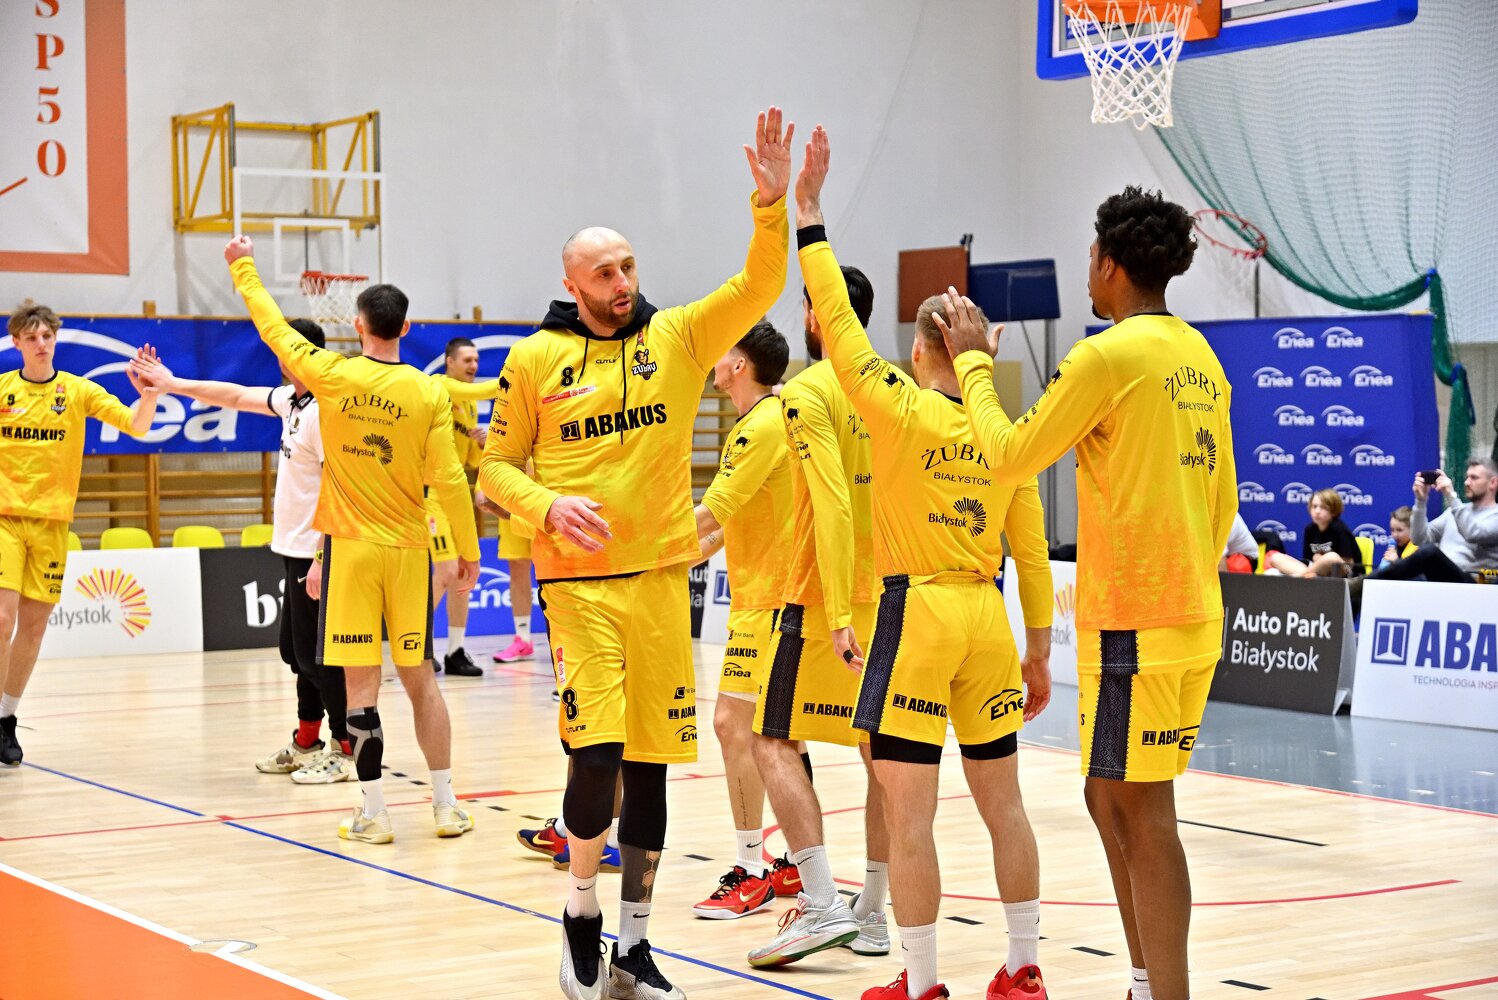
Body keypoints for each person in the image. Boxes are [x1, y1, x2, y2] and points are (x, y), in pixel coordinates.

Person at [478, 106, 792, 1000]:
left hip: (660, 584)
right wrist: (546, 503)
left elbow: (760, 282)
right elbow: (493, 466)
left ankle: (636, 945)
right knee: (598, 757)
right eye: (605, 272)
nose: (622, 282)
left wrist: (771, 205)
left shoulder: (679, 337)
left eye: (629, 267)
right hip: (578, 590)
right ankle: (580, 914)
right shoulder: (534, 360)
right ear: (572, 282)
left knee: (651, 770)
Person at [939, 186, 1237, 1000]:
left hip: (1139, 619)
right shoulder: (1200, 358)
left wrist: (973, 362)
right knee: (1108, 799)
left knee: (1143, 810)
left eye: (1090, 257)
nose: (1088, 270)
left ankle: (1165, 994)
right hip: (1188, 613)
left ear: (1109, 264)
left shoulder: (1106, 357)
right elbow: (1224, 503)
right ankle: (1144, 983)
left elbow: (1008, 456)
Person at [792, 127, 1055, 1000]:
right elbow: (1032, 552)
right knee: (1005, 806)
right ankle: (1022, 968)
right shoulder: (1007, 432)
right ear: (981, 354)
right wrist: (1039, 651)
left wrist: (810, 216)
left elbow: (836, 325)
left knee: (910, 814)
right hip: (989, 619)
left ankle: (922, 984)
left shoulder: (898, 408)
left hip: (916, 617)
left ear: (917, 352)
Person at [223, 236, 481, 845]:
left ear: (358, 325)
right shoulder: (429, 391)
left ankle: (375, 813)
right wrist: (467, 551)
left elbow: (272, 328)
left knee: (361, 690)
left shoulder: (332, 375)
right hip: (409, 551)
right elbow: (449, 479)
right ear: (406, 328)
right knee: (421, 679)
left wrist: (243, 267)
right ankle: (445, 805)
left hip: (351, 552)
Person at [745, 223, 889, 967]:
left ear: (815, 312)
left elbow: (832, 502)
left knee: (769, 741)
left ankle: (823, 901)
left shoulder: (807, 390)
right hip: (893, 595)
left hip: (822, 599)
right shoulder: (895, 387)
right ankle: (874, 913)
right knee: (880, 756)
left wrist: (832, 611)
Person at [128, 330, 353, 783]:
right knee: (297, 654)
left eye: (283, 350)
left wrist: (322, 556)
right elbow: (232, 395)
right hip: (292, 549)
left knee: (320, 658)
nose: (278, 358)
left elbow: (341, 488)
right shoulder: (292, 401)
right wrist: (171, 383)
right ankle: (306, 740)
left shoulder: (324, 412)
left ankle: (345, 750)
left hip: (316, 553)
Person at [0, 301, 162, 766]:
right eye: (32, 337)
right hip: (5, 519)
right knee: (3, 619)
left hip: (53, 523)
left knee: (33, 626)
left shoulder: (77, 391)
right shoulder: (4, 390)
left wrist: (149, 395)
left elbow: (137, 425)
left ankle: (7, 718)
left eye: (47, 336)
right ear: (17, 342)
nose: (41, 344)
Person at [690, 320, 801, 919]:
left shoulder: (759, 426)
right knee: (782, 735)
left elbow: (710, 514)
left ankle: (752, 869)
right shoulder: (768, 420)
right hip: (774, 599)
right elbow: (726, 529)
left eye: (723, 350)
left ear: (739, 365)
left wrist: (634, 541)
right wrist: (674, 558)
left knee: (734, 726)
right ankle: (795, 864)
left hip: (770, 605)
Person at [428, 337, 499, 677]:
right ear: (450, 362)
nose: (474, 365)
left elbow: (471, 461)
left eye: (476, 360)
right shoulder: (439, 386)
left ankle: (455, 651)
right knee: (444, 572)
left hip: (455, 496)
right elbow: (484, 390)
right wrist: (520, 377)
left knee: (462, 575)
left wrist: (482, 443)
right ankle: (419, 647)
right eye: (467, 360)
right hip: (429, 496)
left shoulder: (469, 406)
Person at [1362, 461, 1498, 584]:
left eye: (1474, 478)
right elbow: (1419, 539)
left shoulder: (1492, 514)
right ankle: (1363, 587)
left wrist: (1451, 496)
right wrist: (1421, 501)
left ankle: (1364, 584)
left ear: (1493, 482)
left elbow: (1473, 533)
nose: (1467, 482)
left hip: (1473, 585)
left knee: (1430, 552)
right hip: (1438, 580)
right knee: (1404, 582)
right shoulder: (1454, 511)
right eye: (1467, 477)